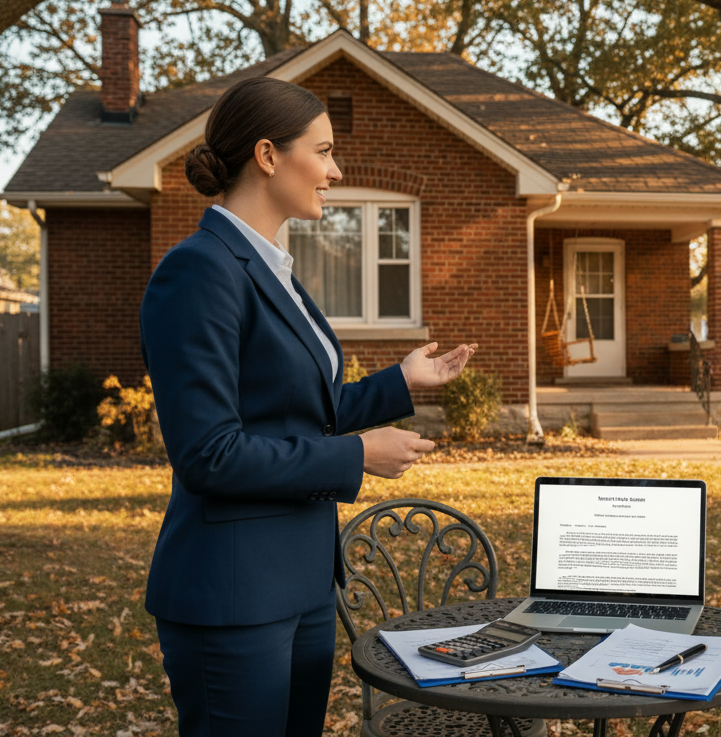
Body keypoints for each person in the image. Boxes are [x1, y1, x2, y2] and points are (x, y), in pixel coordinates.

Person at [139, 76, 477, 737]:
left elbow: (300, 411)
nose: (334, 170)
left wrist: (399, 384)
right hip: (232, 596)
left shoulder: (275, 271)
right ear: (268, 156)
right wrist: (356, 454)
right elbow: (209, 453)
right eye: (321, 151)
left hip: (300, 588)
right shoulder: (200, 270)